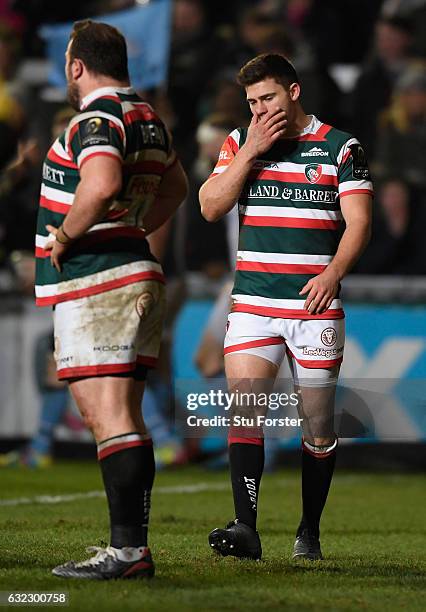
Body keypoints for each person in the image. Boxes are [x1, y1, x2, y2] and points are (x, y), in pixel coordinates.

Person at [199, 53, 372, 561]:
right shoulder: (241, 142)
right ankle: (245, 528)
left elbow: (359, 223)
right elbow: (210, 206)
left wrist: (333, 273)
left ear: (293, 92)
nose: (259, 110)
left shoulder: (342, 148)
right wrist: (250, 150)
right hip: (253, 303)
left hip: (313, 306)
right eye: (251, 102)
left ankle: (308, 531)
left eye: (267, 98)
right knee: (244, 411)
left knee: (316, 426)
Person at [35, 20, 188, 579]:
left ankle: (127, 554)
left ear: (76, 65)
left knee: (110, 416)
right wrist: (134, 229)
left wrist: (69, 236)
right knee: (121, 415)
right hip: (130, 269)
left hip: (101, 279)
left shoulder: (96, 118)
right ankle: (131, 549)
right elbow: (177, 188)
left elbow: (98, 184)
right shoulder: (146, 118)